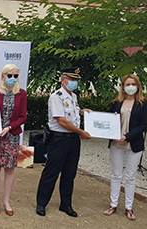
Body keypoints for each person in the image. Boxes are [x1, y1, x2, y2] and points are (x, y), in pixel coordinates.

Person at [35, 67, 92, 217]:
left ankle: (65, 204)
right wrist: (81, 132)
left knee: (69, 173)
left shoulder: (73, 96)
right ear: (63, 80)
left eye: (76, 80)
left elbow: (72, 113)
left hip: (73, 140)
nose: (74, 83)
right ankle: (41, 203)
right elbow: (61, 121)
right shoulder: (57, 96)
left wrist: (82, 112)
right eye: (71, 79)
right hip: (59, 139)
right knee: (51, 172)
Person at [103, 74, 147, 220]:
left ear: (138, 86)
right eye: (127, 84)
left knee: (130, 176)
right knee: (116, 174)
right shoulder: (116, 102)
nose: (130, 87)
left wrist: (127, 136)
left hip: (133, 143)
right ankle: (113, 204)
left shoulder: (143, 103)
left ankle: (129, 207)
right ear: (122, 86)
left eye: (133, 84)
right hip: (116, 143)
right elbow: (108, 122)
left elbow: (143, 125)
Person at [0, 64, 27, 216]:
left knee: (10, 170)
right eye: (9, 75)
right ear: (3, 76)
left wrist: (9, 127)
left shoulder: (21, 93)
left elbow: (23, 116)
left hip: (12, 135)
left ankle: (6, 202)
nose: (12, 78)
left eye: (15, 76)